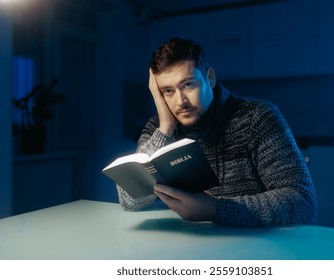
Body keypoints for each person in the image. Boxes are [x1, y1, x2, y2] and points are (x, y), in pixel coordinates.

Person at [116, 37, 317, 227]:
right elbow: (129, 201)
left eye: (188, 85)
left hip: (254, 247)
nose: (180, 102)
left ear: (210, 77)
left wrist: (215, 210)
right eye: (167, 91)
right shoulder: (159, 128)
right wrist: (165, 128)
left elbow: (303, 202)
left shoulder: (257, 117)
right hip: (189, 246)